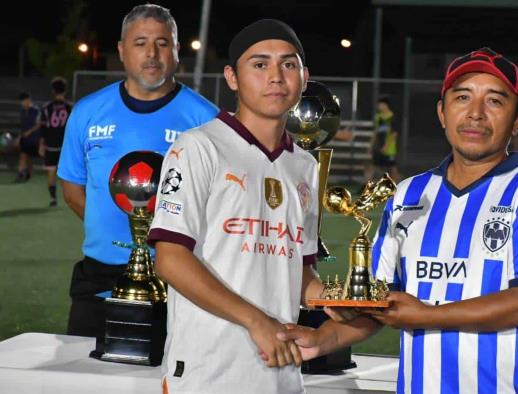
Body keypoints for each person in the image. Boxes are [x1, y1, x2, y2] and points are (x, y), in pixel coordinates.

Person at [281, 47, 518, 394]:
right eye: (462, 97)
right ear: (442, 112)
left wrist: (425, 315)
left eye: (495, 101)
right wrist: (321, 340)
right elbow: (380, 302)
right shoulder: (409, 193)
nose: (476, 114)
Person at [146, 19, 339, 394]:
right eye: (260, 64)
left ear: (304, 76)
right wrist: (256, 321)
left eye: (288, 64)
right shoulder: (198, 147)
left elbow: (298, 269)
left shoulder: (305, 166)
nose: (276, 77)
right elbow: (170, 259)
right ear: (232, 77)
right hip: (207, 373)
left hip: (281, 372)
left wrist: (339, 299)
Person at [57, 4, 218, 337]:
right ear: (121, 50)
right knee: (82, 376)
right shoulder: (88, 112)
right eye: (141, 42)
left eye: (162, 43)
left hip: (179, 276)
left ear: (176, 51)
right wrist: (119, 234)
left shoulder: (207, 119)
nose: (152, 53)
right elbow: (73, 190)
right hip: (98, 277)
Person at [40, 77, 72, 207]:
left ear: (53, 90)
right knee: (68, 174)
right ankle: (70, 198)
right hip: (66, 146)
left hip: (51, 144)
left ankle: (53, 199)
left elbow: (43, 126)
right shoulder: (70, 107)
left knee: (51, 172)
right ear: (65, 91)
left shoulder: (47, 108)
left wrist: (41, 144)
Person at [366, 96, 400, 181]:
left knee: (392, 168)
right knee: (372, 166)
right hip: (378, 146)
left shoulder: (392, 117)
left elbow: (394, 134)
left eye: (380, 104)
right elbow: (375, 132)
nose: (378, 106)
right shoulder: (378, 117)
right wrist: (370, 146)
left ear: (386, 105)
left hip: (389, 148)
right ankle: (368, 187)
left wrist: (386, 146)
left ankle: (396, 188)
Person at [14, 92, 41, 183]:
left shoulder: (36, 110)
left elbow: (39, 124)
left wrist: (30, 132)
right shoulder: (22, 111)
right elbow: (22, 127)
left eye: (24, 101)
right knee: (23, 155)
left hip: (34, 138)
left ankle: (28, 173)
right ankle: (21, 174)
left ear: (28, 100)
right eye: (21, 101)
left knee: (28, 157)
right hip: (25, 139)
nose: (22, 103)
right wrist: (19, 137)